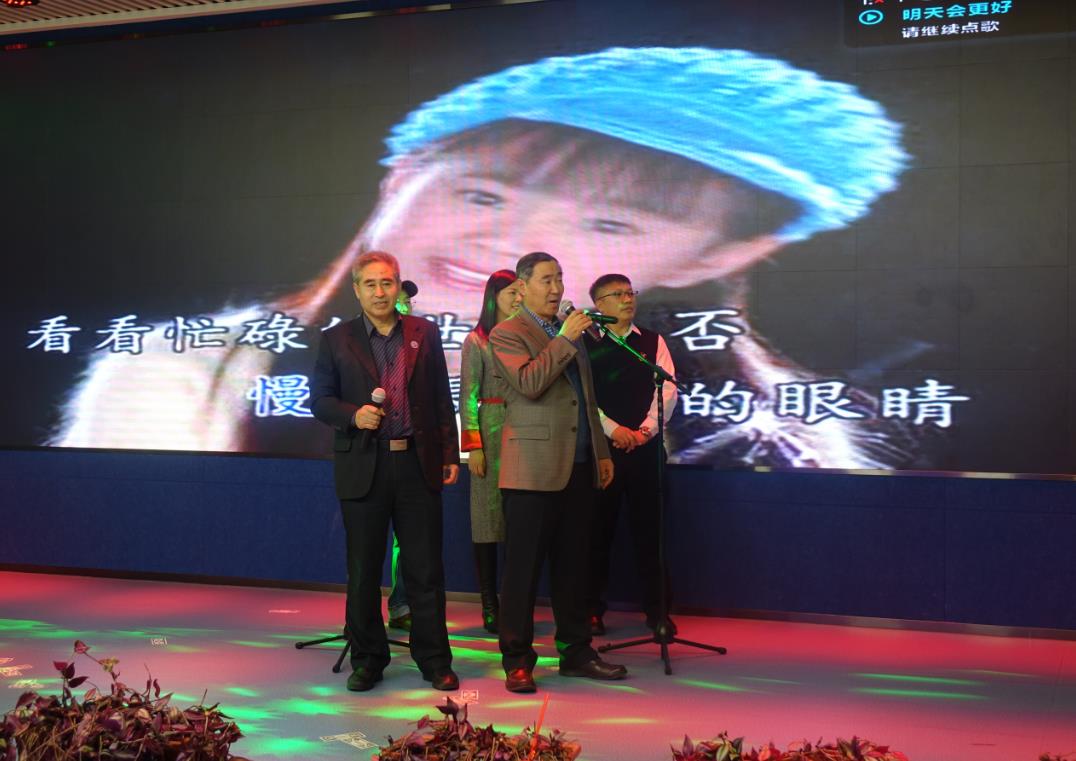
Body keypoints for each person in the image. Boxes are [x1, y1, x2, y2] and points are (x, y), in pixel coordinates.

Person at [53, 47, 908, 471]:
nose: (507, 247)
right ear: (400, 177)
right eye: (482, 195)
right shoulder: (188, 372)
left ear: (720, 254)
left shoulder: (765, 435)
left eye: (610, 222)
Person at [310, 250, 460, 692]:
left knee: (425, 570)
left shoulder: (423, 333)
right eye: (370, 284)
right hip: (364, 464)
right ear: (357, 290)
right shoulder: (336, 338)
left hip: (416, 462)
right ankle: (368, 659)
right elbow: (319, 400)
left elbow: (440, 398)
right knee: (363, 571)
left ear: (398, 286)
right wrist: (353, 415)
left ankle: (434, 659)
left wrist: (450, 455)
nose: (380, 292)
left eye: (387, 283)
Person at [488, 251, 624, 693]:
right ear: (522, 286)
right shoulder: (507, 333)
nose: (556, 288)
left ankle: (577, 652)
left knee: (574, 568)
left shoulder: (569, 331)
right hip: (532, 470)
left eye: (560, 278)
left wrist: (601, 451)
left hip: (580, 466)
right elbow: (529, 383)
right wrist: (564, 339)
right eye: (546, 280)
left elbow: (586, 398)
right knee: (522, 572)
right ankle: (517, 660)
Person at [583, 273, 678, 637]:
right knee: (595, 533)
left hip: (646, 451)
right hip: (602, 451)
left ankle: (658, 614)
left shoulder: (652, 342)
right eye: (617, 294)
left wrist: (644, 432)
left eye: (629, 293)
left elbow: (667, 391)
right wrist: (613, 430)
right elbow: (582, 397)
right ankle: (591, 610)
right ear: (599, 305)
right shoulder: (584, 343)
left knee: (651, 535)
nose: (627, 299)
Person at [458, 269, 522, 633]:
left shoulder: (526, 336)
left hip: (525, 430)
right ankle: (488, 601)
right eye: (511, 292)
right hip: (490, 428)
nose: (517, 298)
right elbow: (467, 395)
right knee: (486, 520)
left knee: (519, 519)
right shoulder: (476, 340)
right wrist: (474, 448)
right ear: (493, 297)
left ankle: (514, 599)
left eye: (520, 292)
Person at [384, 278, 421, 633]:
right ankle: (359, 618)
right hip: (372, 455)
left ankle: (402, 605)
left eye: (408, 301)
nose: (404, 306)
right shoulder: (358, 343)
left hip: (411, 454)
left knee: (409, 540)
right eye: (400, 300)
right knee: (365, 542)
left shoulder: (420, 342)